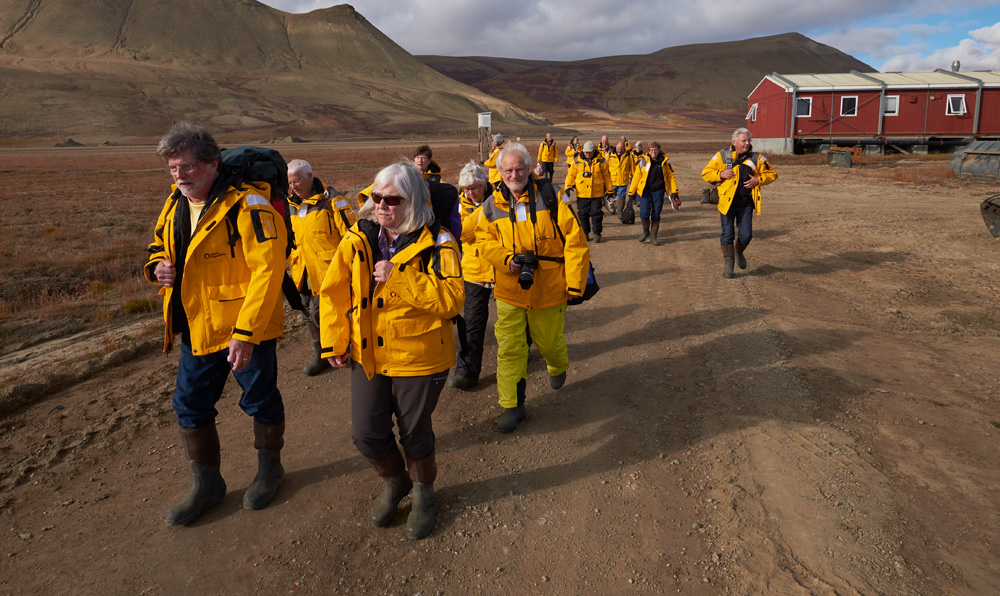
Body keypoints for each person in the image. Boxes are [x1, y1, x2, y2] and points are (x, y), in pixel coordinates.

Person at [145, 122, 288, 526]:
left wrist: (245, 333)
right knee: (189, 404)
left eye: (187, 167)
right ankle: (207, 485)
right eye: (173, 169)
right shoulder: (175, 204)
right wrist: (157, 267)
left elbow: (268, 270)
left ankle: (270, 470)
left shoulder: (249, 205)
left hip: (245, 328)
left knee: (259, 399)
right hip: (196, 325)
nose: (179, 176)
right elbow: (159, 244)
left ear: (212, 163)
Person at [319, 161, 464, 540]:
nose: (381, 205)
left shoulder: (439, 242)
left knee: (415, 433)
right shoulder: (358, 238)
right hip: (369, 354)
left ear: (412, 201)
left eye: (391, 199)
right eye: (376, 197)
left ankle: (423, 491)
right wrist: (334, 340)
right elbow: (333, 292)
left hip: (420, 356)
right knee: (366, 433)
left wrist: (399, 277)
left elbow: (452, 299)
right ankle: (396, 481)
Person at [475, 142, 590, 432]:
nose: (514, 174)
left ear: (530, 169)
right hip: (509, 290)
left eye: (520, 168)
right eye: (508, 169)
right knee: (510, 349)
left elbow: (575, 241)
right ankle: (512, 405)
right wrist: (504, 260)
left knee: (548, 341)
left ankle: (557, 363)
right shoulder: (491, 206)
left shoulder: (552, 197)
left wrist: (575, 286)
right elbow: (482, 241)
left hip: (549, 288)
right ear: (499, 172)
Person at [287, 159, 356, 376]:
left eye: (296, 181)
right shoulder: (290, 204)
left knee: (325, 313)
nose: (293, 187)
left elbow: (351, 235)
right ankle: (322, 354)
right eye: (290, 182)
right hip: (302, 270)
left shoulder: (332, 201)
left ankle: (341, 349)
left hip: (328, 271)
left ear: (310, 176)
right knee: (307, 313)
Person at [701, 127, 778, 278]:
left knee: (746, 236)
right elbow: (706, 173)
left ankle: (739, 251)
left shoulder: (757, 158)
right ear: (734, 142)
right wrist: (720, 174)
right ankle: (728, 264)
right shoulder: (722, 156)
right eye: (744, 141)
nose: (747, 143)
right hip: (726, 203)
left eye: (749, 140)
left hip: (746, 204)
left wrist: (758, 180)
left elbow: (772, 174)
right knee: (727, 234)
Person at [449, 161, 494, 390]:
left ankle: (521, 354)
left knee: (516, 321)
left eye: (475, 187)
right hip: (474, 272)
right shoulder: (457, 205)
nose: (470, 192)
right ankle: (466, 372)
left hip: (503, 269)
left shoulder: (503, 198)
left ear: (485, 184)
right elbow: (461, 233)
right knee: (472, 325)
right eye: (465, 188)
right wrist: (483, 215)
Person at [628, 141, 680, 246]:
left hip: (658, 191)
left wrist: (674, 192)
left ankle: (653, 235)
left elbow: (671, 176)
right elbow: (636, 177)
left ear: (659, 150)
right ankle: (645, 231)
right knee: (644, 213)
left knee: (656, 214)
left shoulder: (665, 162)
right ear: (648, 151)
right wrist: (631, 193)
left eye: (655, 149)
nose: (653, 152)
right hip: (645, 191)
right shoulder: (643, 161)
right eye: (651, 150)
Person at [565, 140, 613, 243]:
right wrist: (568, 187)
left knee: (596, 214)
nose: (587, 154)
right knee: (583, 214)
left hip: (596, 193)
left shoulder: (601, 161)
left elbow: (607, 176)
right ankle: (585, 233)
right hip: (582, 193)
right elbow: (570, 175)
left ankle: (597, 233)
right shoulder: (576, 161)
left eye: (589, 152)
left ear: (593, 151)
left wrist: (609, 190)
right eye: (586, 152)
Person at [607, 139, 635, 219]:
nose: (619, 150)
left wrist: (634, 179)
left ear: (624, 148)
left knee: (622, 195)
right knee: (612, 195)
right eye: (618, 149)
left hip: (623, 180)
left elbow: (633, 169)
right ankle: (612, 208)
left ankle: (620, 210)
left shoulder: (629, 155)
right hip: (613, 180)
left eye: (621, 149)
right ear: (616, 147)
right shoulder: (610, 154)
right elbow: (605, 167)